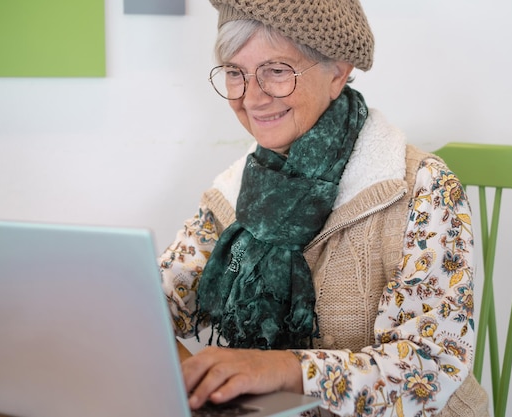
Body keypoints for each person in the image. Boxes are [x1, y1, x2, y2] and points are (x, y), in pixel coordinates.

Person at [159, 0, 489, 416]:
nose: (251, 98)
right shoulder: (239, 190)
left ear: (338, 71)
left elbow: (431, 367)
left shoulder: (421, 188)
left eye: (276, 71)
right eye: (234, 73)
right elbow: (158, 298)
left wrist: (284, 368)